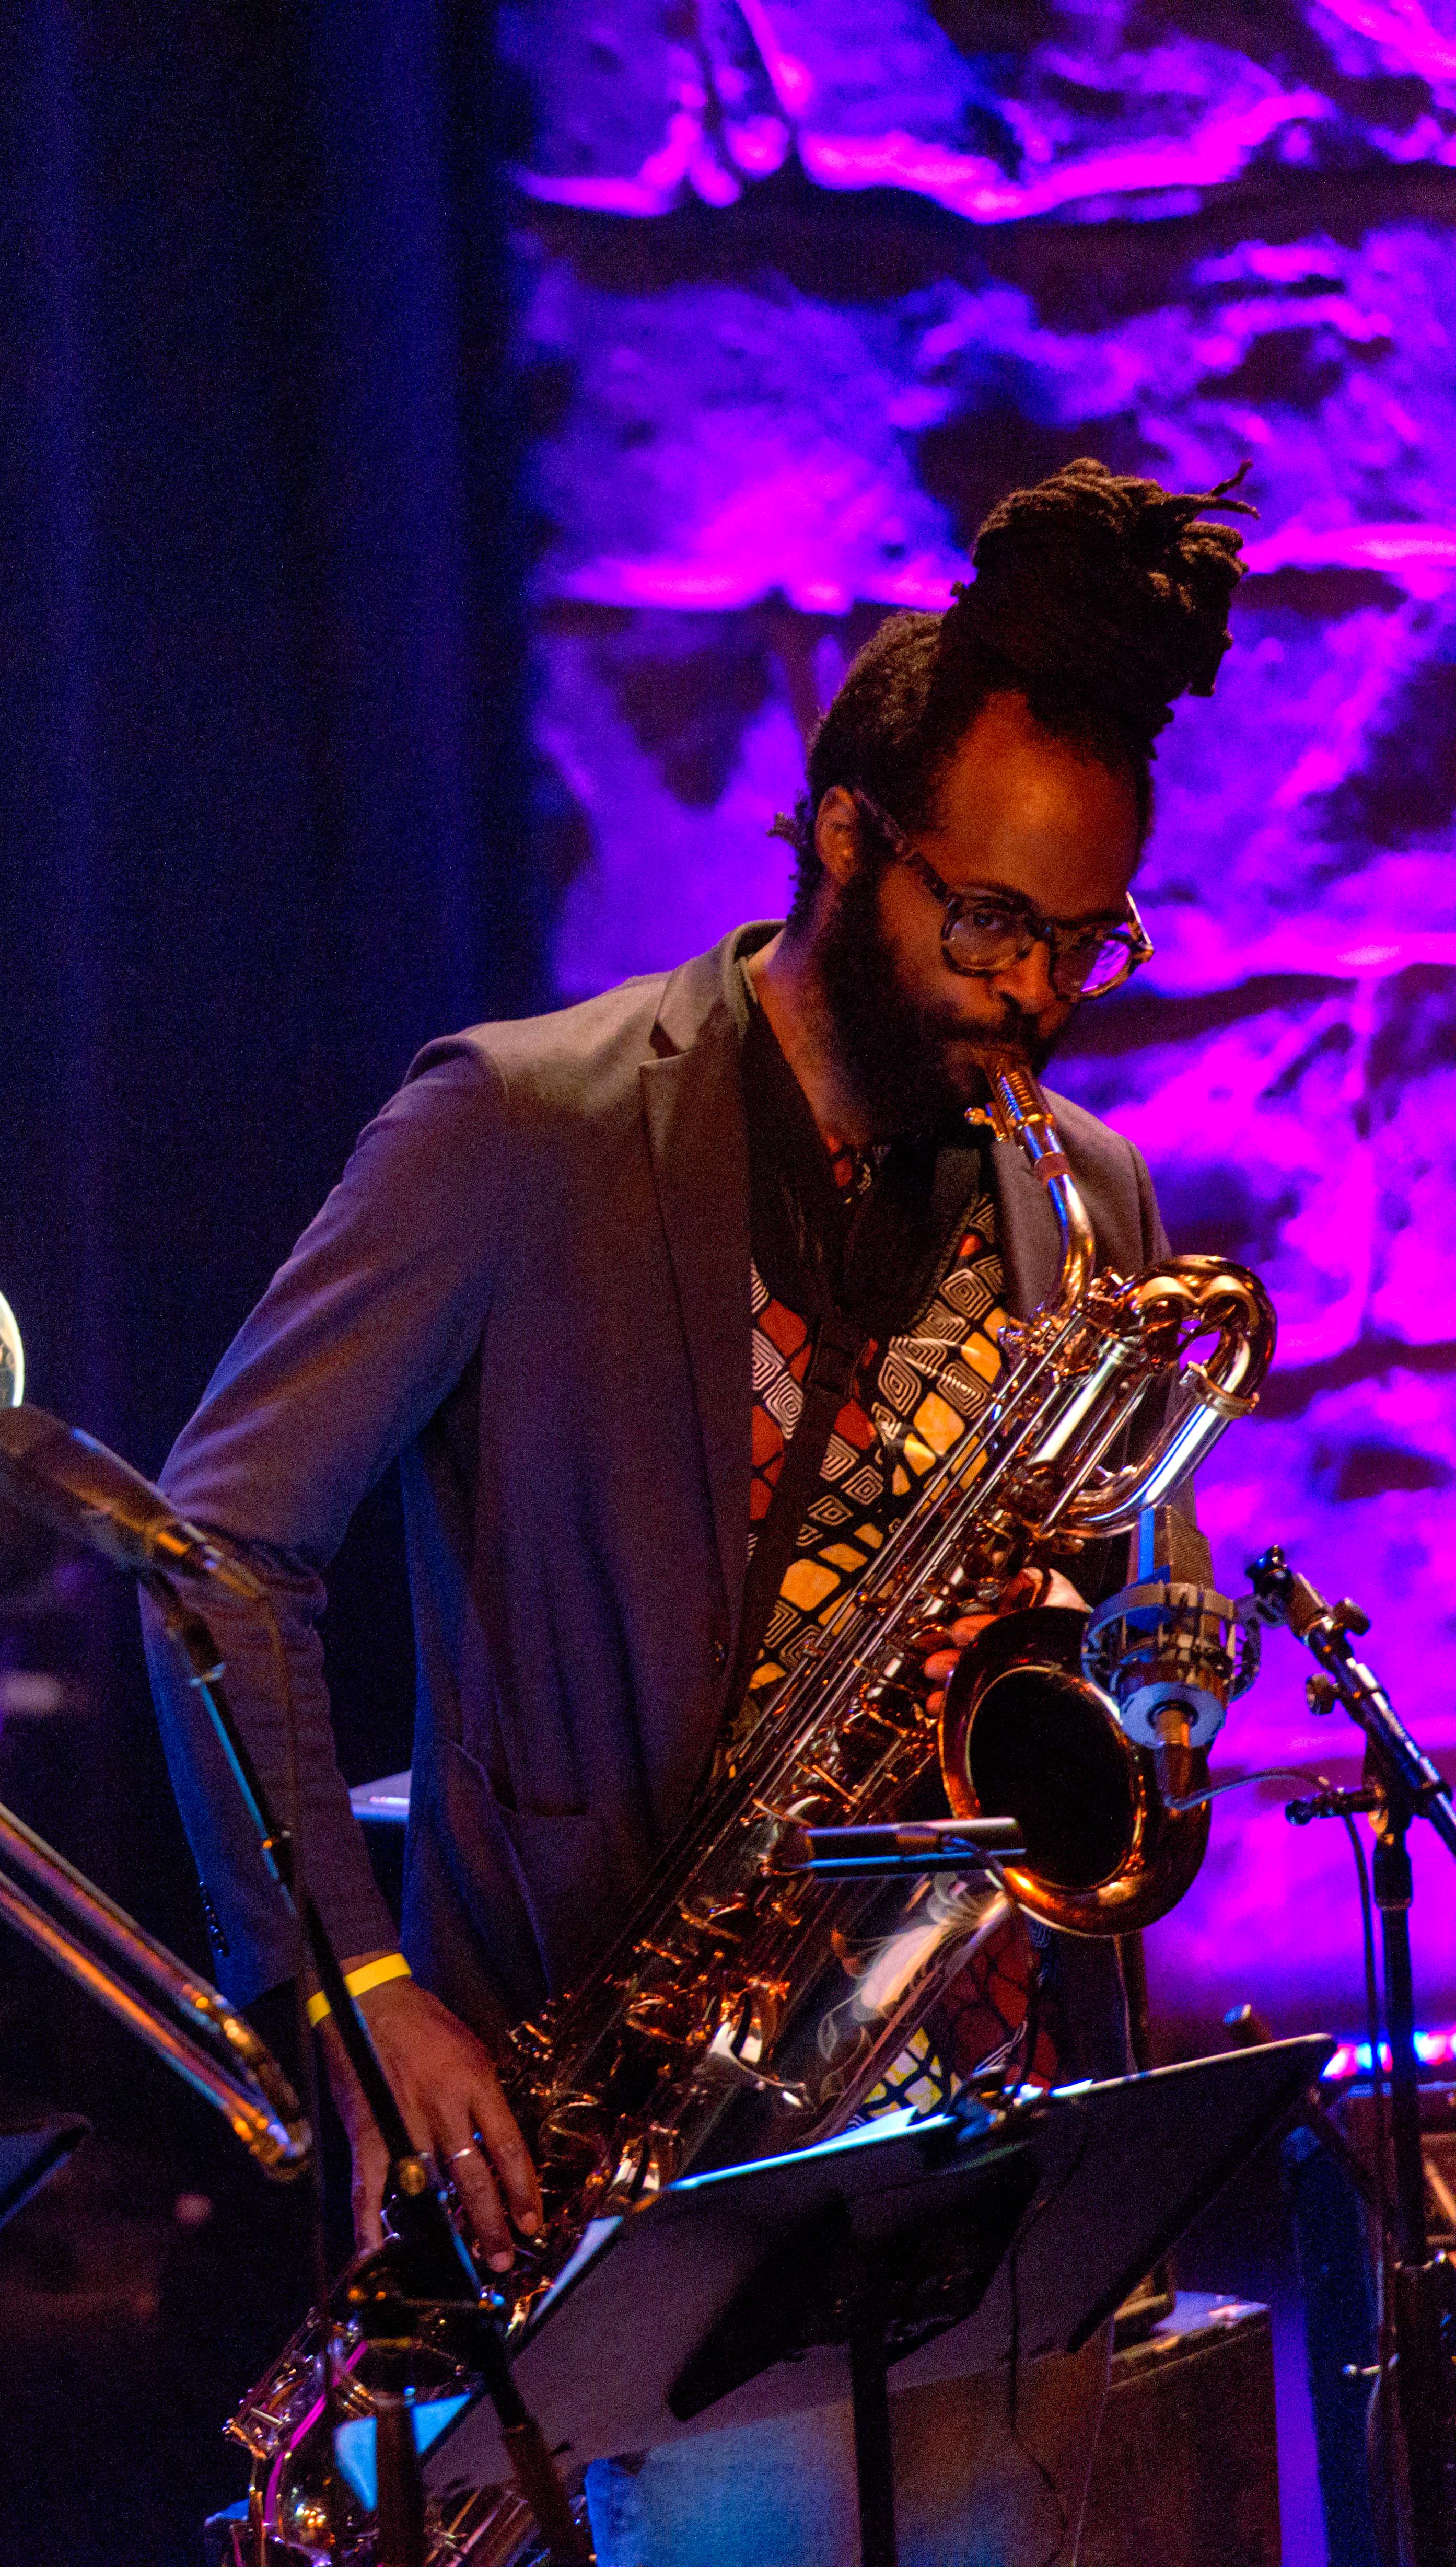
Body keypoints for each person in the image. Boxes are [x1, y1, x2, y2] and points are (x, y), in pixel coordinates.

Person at [147, 460, 1252, 2273]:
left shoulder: (1092, 1193)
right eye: (989, 925)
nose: (1039, 996)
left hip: (976, 2128)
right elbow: (214, 1558)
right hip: (593, 2123)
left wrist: (1159, 1668)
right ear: (844, 837)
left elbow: (1146, 1592)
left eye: (1083, 944)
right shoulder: (521, 1127)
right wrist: (352, 1988)